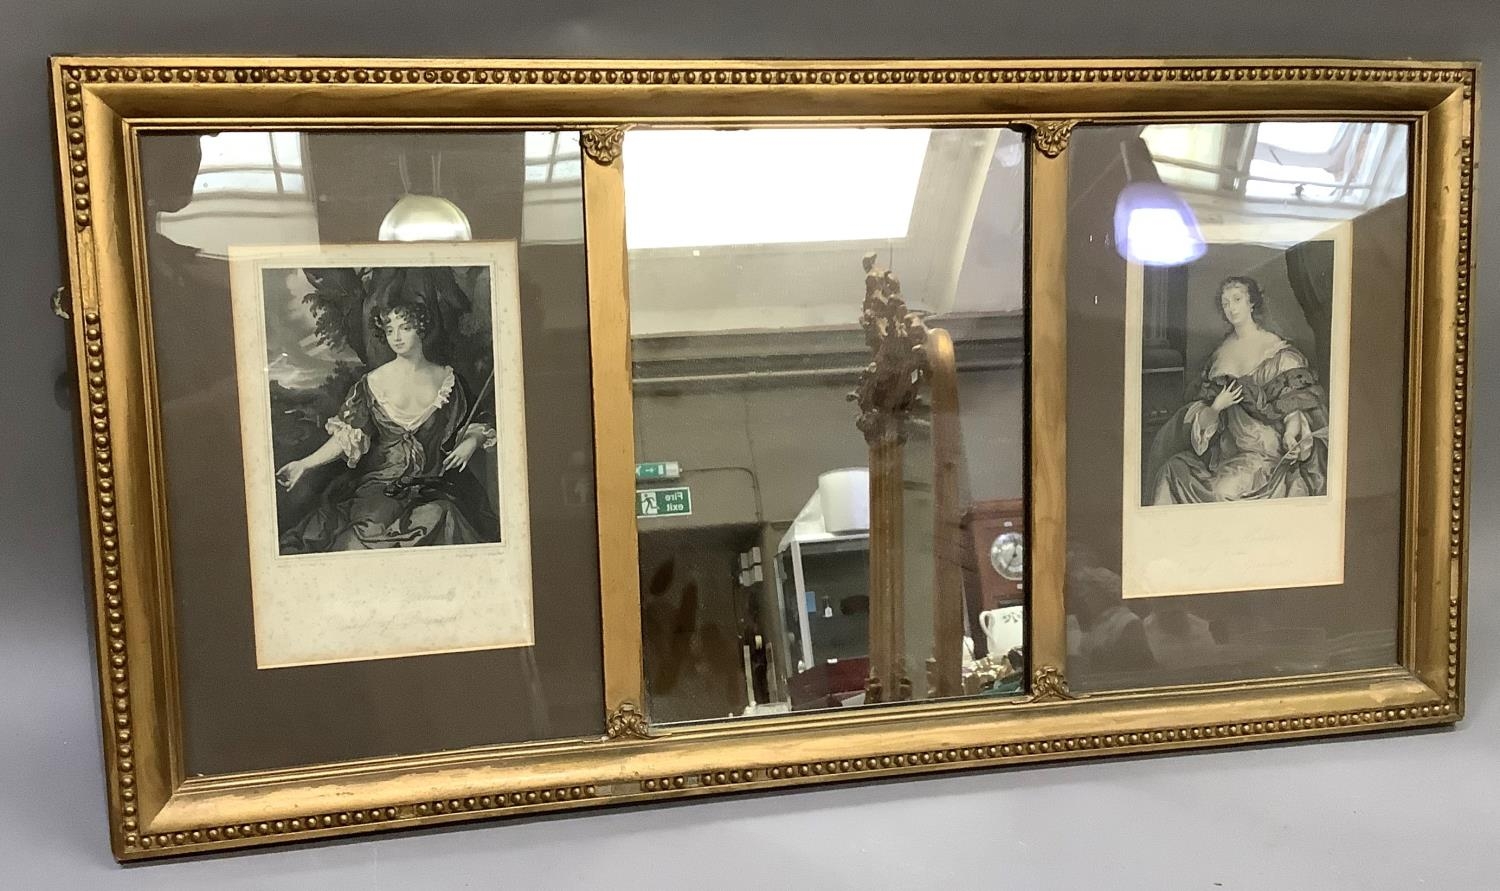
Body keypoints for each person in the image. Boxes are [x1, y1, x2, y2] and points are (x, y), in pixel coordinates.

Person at [275, 300, 500, 552]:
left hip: (434, 484)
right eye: (390, 329)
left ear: (421, 329)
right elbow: (346, 435)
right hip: (382, 485)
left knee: (447, 518)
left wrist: (471, 441)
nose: (396, 337)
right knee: (364, 537)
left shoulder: (449, 382)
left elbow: (480, 417)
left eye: (405, 328)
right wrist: (304, 464)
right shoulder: (372, 384)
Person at [1147, 275, 1329, 505]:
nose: (1231, 308)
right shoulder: (1219, 357)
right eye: (1225, 303)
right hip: (1224, 455)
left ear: (1251, 302)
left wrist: (1291, 433)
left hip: (1263, 455)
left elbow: (1293, 405)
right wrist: (1216, 407)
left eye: (1237, 299)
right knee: (1169, 471)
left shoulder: (1277, 351)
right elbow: (1205, 413)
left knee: (1220, 493)